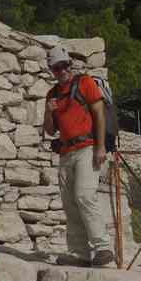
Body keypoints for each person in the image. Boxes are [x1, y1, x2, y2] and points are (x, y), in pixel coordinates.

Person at [42, 45, 115, 267]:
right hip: (66, 152)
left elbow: (99, 114)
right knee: (70, 202)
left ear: (69, 65)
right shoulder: (52, 94)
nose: (62, 71)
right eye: (57, 68)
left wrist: (101, 147)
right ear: (52, 70)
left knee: (84, 196)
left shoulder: (85, 83)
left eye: (64, 66)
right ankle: (80, 253)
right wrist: (48, 110)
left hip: (87, 147)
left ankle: (103, 247)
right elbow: (49, 130)